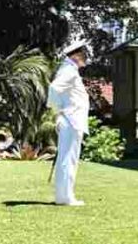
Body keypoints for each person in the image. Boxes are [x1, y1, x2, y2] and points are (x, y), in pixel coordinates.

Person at [47, 40, 90, 207]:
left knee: (67, 158)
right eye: (84, 54)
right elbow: (54, 89)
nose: (86, 57)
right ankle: (66, 197)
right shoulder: (69, 71)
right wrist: (59, 112)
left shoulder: (69, 70)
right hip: (71, 120)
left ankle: (63, 196)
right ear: (76, 55)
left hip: (71, 119)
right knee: (68, 159)